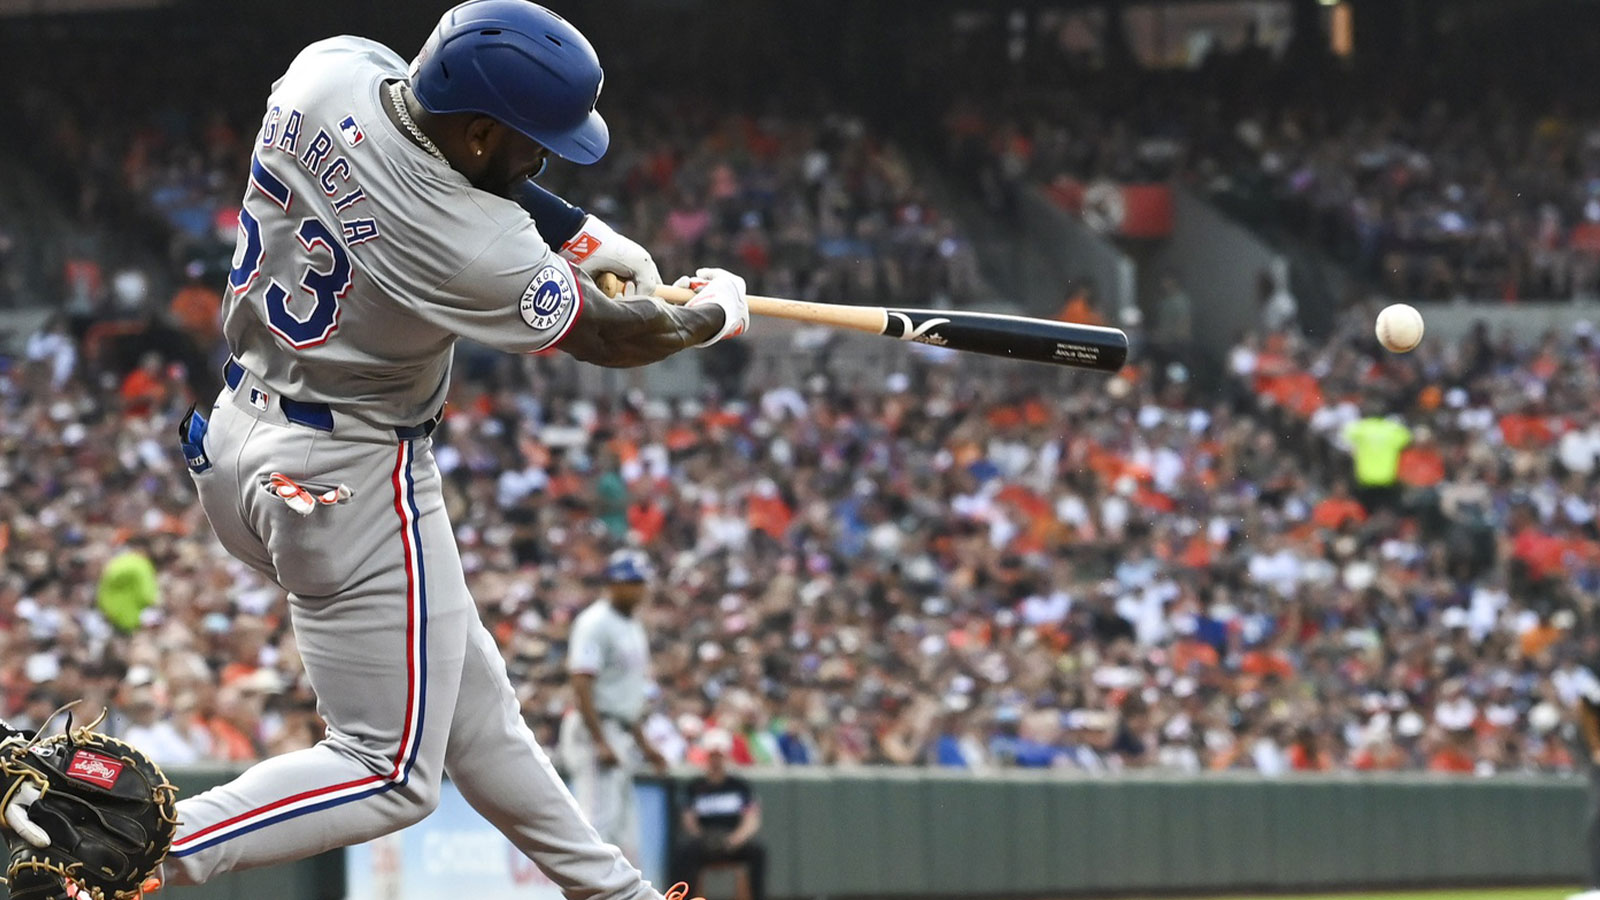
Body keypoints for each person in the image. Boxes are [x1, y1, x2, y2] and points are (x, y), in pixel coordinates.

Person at [150, 3, 747, 898]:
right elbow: (617, 336)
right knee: (387, 771)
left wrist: (580, 234)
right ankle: (145, 842)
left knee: (476, 714)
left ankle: (613, 892)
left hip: (242, 433)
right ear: (477, 133)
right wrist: (708, 316)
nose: (544, 157)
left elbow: (431, 154)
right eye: (530, 140)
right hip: (347, 470)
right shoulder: (472, 248)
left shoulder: (329, 70)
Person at [560, 549, 669, 860]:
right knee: (596, 826)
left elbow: (626, 696)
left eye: (641, 582)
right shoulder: (594, 622)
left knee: (622, 832)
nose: (639, 589)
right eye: (632, 582)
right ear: (613, 583)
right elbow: (582, 682)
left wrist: (645, 745)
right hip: (597, 728)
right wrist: (599, 739)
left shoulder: (632, 625)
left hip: (619, 728)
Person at [674, 730, 766, 900]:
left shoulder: (740, 786)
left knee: (758, 851)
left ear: (726, 756)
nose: (716, 761)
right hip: (705, 841)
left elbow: (751, 820)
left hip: (733, 841)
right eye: (712, 756)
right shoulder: (694, 787)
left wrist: (735, 839)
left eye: (719, 756)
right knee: (684, 851)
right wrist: (703, 838)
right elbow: (688, 820)